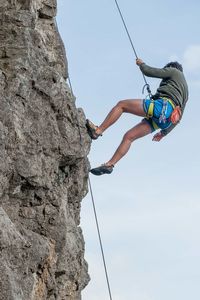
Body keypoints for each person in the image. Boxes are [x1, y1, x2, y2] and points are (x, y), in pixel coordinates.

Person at [86, 58, 189, 176]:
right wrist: (164, 132)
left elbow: (150, 71)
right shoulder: (185, 92)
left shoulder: (175, 72)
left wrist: (142, 64)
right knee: (129, 137)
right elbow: (179, 118)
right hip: (166, 121)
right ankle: (110, 164)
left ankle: (98, 131)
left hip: (162, 107)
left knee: (121, 105)